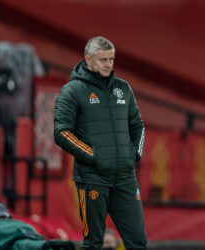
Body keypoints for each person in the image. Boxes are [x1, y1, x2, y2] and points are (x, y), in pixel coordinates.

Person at [54, 36, 146, 249]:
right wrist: (93, 156)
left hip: (125, 179)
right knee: (93, 243)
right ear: (88, 60)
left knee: (138, 242)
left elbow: (138, 126)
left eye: (111, 59)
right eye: (103, 59)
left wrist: (134, 155)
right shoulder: (72, 90)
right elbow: (61, 132)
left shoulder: (123, 88)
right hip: (92, 179)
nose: (108, 64)